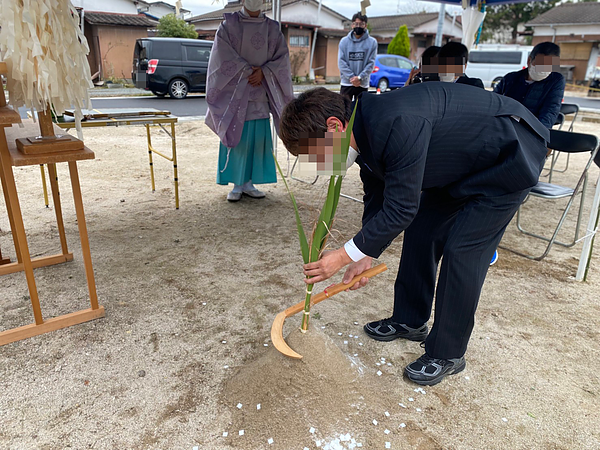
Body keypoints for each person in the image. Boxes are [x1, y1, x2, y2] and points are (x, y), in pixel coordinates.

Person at [279, 85, 549, 386]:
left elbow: (401, 209)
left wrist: (343, 256)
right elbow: (378, 196)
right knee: (422, 230)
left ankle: (447, 353)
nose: (318, 164)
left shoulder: (395, 122)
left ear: (334, 126)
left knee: (463, 251)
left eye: (314, 154)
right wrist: (366, 253)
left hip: (507, 157)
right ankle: (410, 320)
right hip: (459, 163)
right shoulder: (363, 131)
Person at [205, 0, 294, 202]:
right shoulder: (229, 25)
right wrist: (247, 72)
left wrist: (264, 72)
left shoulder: (273, 28)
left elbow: (282, 58)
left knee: (257, 138)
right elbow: (221, 57)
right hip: (236, 91)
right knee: (239, 137)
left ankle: (249, 182)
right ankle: (236, 183)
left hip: (261, 90)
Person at [494, 41, 565, 129]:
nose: (543, 69)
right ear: (529, 61)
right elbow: (494, 101)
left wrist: (539, 133)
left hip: (532, 129)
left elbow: (550, 110)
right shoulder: (510, 79)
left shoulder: (556, 80)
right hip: (505, 126)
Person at [338, 12, 377, 100]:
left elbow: (371, 63)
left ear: (365, 25)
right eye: (356, 24)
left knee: (361, 109)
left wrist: (360, 78)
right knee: (344, 109)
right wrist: (352, 77)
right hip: (346, 83)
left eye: (361, 24)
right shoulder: (344, 42)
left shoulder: (372, 42)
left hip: (362, 83)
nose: (358, 26)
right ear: (352, 25)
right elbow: (341, 62)